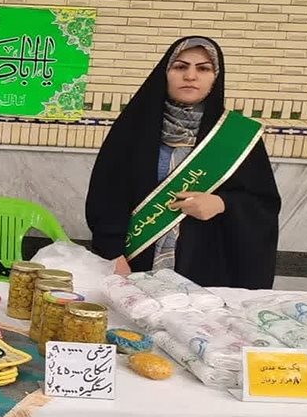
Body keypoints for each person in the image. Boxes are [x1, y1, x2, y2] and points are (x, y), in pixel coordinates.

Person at [85, 36, 281, 288]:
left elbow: (263, 204)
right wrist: (113, 255)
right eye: (180, 67)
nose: (190, 76)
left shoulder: (237, 136)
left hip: (207, 271)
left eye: (203, 69)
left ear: (215, 77)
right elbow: (106, 198)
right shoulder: (133, 128)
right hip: (132, 267)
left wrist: (222, 203)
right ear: (165, 73)